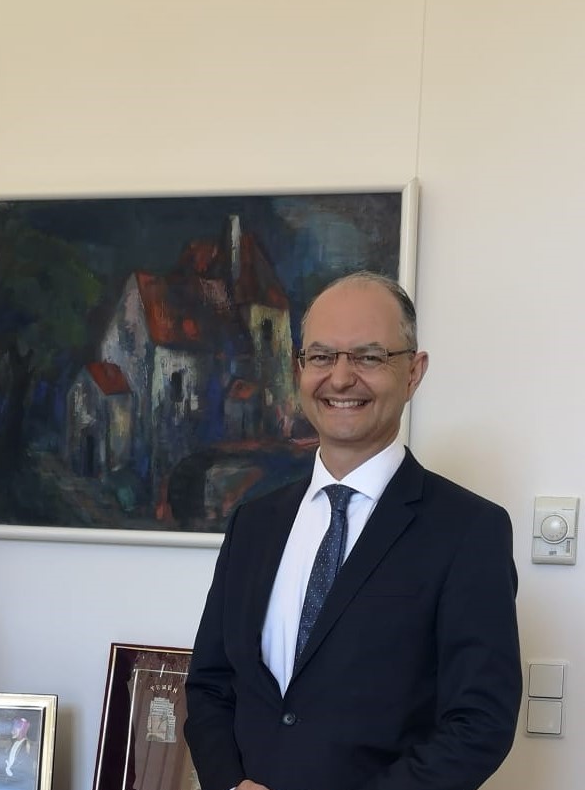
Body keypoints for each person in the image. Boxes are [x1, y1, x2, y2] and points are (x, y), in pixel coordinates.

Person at [184, 272, 521, 790]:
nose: (340, 379)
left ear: (414, 372)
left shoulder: (470, 531)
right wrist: (230, 783)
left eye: (368, 357)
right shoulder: (253, 523)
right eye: (321, 356)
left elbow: (479, 725)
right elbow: (210, 684)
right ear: (299, 370)